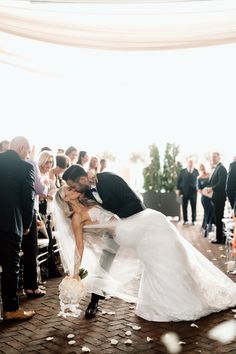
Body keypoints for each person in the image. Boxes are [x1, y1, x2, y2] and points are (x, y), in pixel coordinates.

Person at [54, 185, 236, 322]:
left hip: (131, 225)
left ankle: (177, 294)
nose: (72, 189)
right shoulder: (76, 218)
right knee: (158, 223)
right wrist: (75, 273)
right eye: (67, 191)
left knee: (161, 256)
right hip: (123, 233)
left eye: (70, 187)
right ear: (66, 200)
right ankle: (95, 302)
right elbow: (79, 245)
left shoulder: (89, 199)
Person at [62, 164, 145, 318]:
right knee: (104, 262)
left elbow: (136, 202)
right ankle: (94, 302)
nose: (74, 190)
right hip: (111, 231)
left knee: (147, 256)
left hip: (135, 223)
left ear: (82, 179)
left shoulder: (110, 179)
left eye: (73, 186)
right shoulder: (84, 193)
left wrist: (117, 219)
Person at [0, 136, 35, 321]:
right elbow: (28, 200)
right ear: (21, 148)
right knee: (10, 268)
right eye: (27, 152)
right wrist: (27, 225)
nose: (27, 155)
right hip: (10, 223)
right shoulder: (25, 167)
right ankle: (11, 309)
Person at [207, 152, 227, 244]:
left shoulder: (221, 168)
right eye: (212, 157)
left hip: (219, 197)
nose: (213, 159)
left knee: (219, 218)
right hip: (215, 197)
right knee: (217, 218)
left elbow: (222, 183)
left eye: (215, 157)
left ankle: (220, 239)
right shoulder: (216, 168)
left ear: (219, 157)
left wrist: (212, 188)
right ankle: (219, 237)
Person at [176, 159, 199, 225]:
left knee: (193, 207)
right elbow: (178, 181)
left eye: (191, 163)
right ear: (187, 163)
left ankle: (193, 220)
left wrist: (199, 188)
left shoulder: (196, 171)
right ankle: (185, 220)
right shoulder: (182, 171)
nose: (190, 164)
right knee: (184, 207)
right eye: (189, 162)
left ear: (193, 163)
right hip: (184, 192)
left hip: (193, 192)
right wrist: (178, 190)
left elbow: (199, 181)